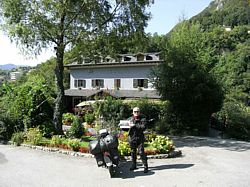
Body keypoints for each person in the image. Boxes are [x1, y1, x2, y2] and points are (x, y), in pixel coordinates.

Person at [127, 107, 148, 173]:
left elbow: (143, 127)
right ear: (132, 112)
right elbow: (125, 128)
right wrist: (122, 126)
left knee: (141, 152)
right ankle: (134, 165)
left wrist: (134, 125)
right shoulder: (130, 119)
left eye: (137, 111)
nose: (136, 113)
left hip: (140, 138)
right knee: (133, 152)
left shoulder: (143, 119)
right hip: (132, 138)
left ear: (139, 112)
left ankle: (145, 166)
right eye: (135, 111)